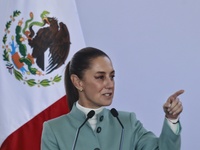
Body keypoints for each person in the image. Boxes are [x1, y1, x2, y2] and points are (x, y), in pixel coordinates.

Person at [41, 47, 184, 150]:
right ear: (78, 82)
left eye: (112, 76)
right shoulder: (53, 130)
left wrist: (171, 119)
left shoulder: (127, 122)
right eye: (100, 77)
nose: (110, 84)